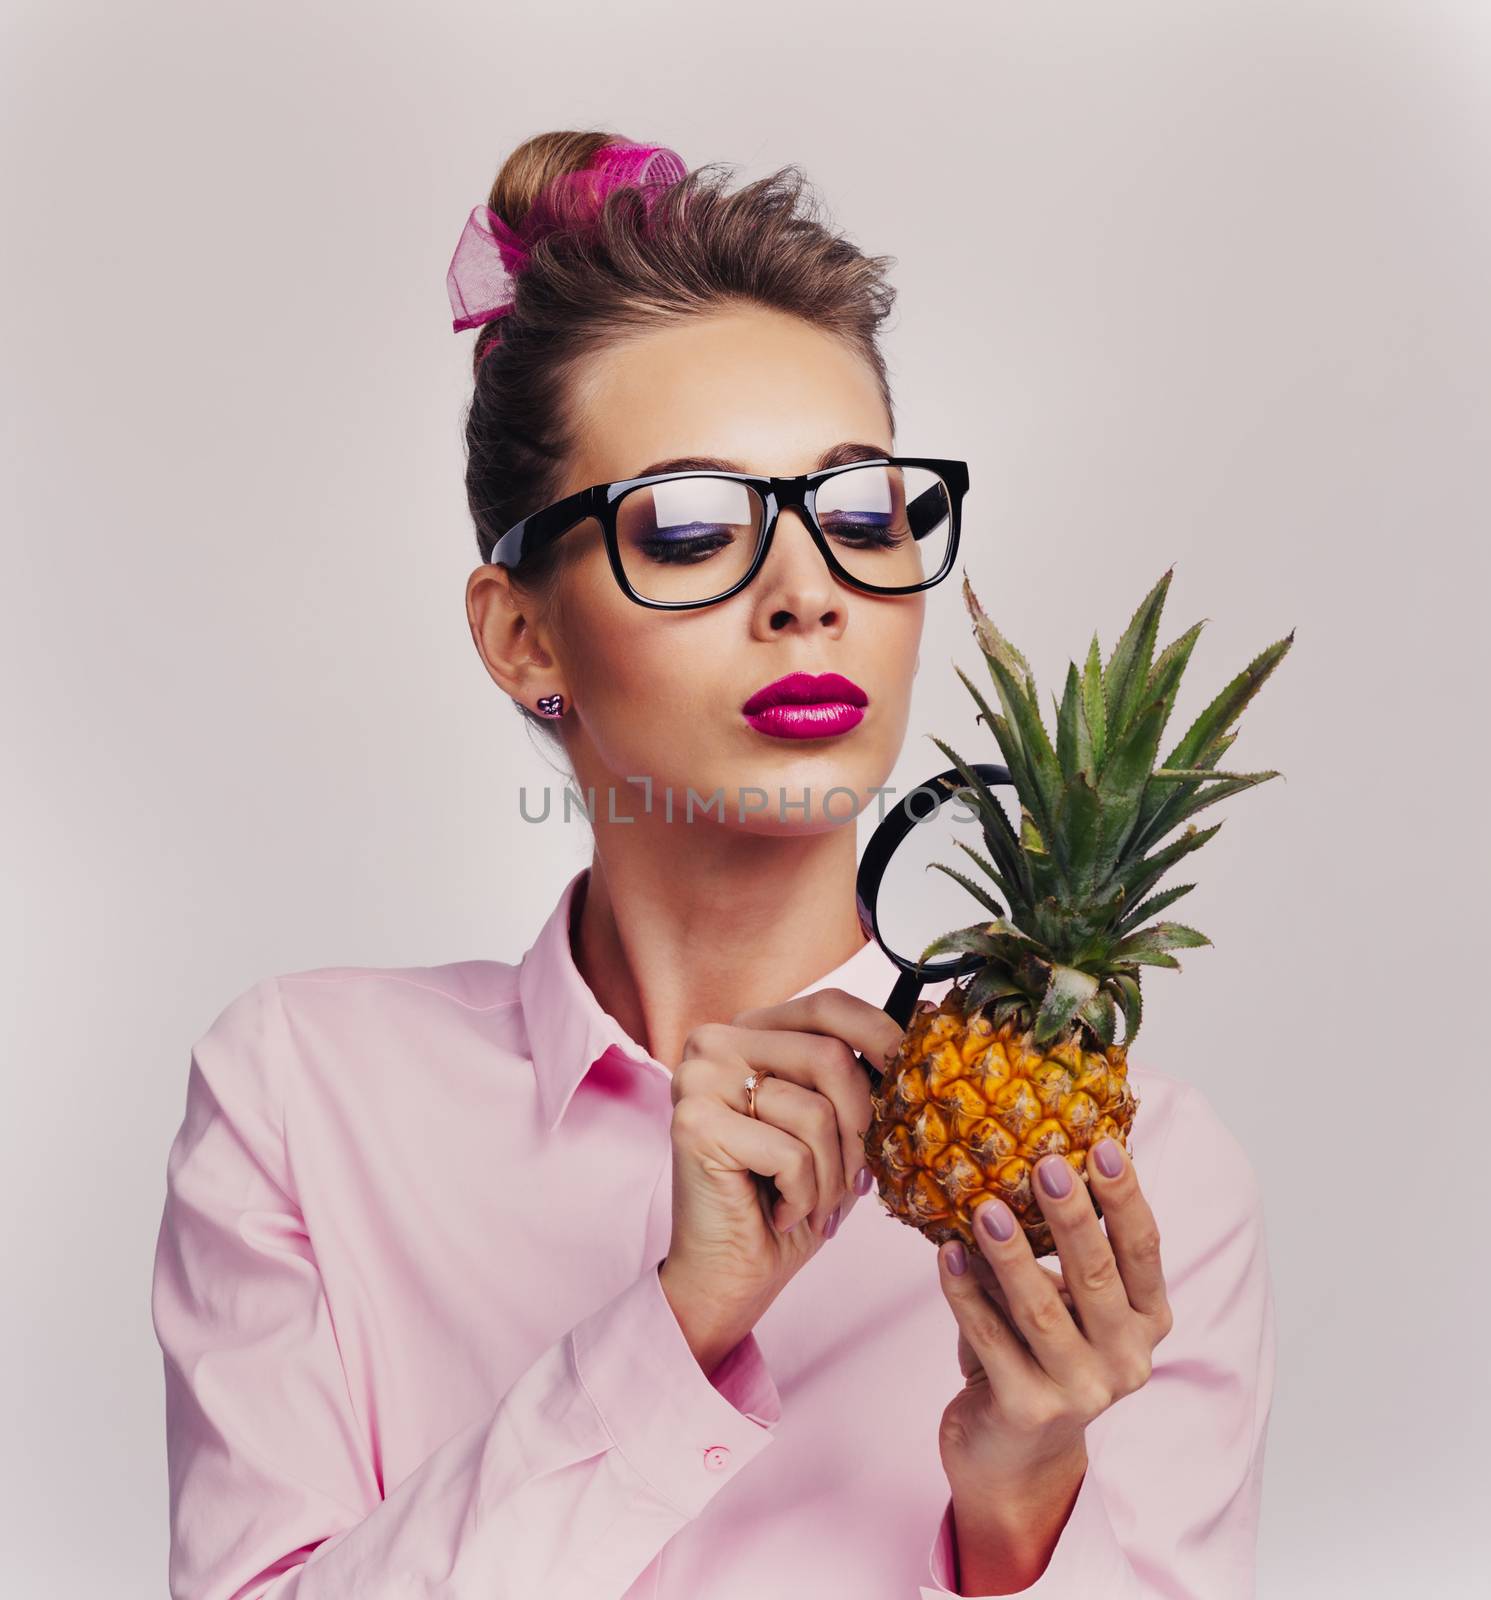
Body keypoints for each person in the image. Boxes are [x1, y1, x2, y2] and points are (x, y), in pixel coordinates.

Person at [151, 131, 1276, 1599]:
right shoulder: (301, 1099)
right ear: (522, 634)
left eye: (863, 514)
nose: (808, 593)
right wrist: (672, 1328)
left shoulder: (1129, 1184)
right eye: (688, 529)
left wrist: (1019, 1510)